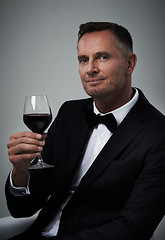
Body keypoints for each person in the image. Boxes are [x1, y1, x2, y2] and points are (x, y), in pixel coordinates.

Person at [5, 22, 165, 240]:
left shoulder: (158, 134)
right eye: (83, 59)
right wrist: (21, 171)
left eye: (102, 57)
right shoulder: (69, 113)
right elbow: (23, 209)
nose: (90, 68)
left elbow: (134, 228)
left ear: (129, 63)